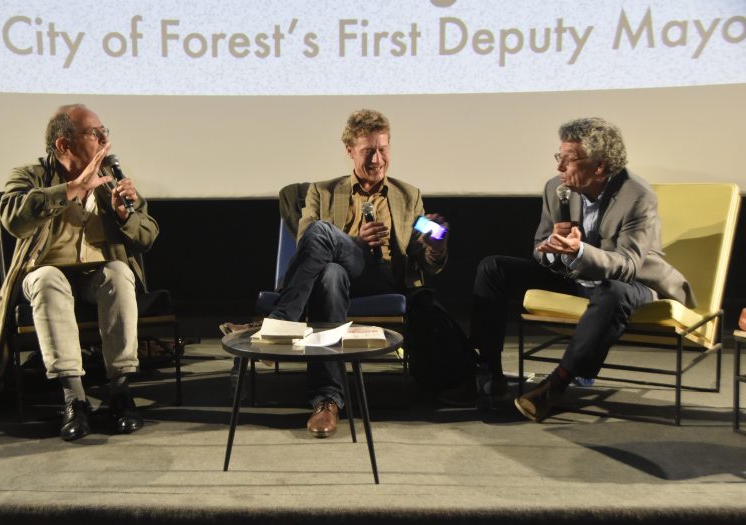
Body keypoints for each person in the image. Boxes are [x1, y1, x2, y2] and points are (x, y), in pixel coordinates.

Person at [225, 109, 448, 438]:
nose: (376, 159)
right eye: (367, 151)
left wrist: (436, 246)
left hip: (383, 279)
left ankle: (276, 323)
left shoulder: (407, 195)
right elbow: (306, 245)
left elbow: (424, 262)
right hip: (336, 279)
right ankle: (327, 400)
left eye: (383, 149)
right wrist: (356, 241)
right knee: (327, 266)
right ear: (349, 151)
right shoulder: (322, 191)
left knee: (322, 237)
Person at [471, 117, 695, 422]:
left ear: (599, 166)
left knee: (612, 291)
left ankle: (556, 384)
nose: (559, 167)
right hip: (575, 277)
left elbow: (628, 265)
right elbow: (539, 246)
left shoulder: (637, 196)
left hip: (636, 284)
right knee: (493, 268)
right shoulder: (556, 189)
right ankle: (490, 375)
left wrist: (579, 251)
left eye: (568, 160)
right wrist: (552, 250)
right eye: (558, 157)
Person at [0, 104, 159, 441]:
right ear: (63, 144)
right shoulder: (29, 176)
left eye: (105, 131)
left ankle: (120, 393)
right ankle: (73, 400)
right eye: (95, 133)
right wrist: (72, 188)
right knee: (49, 279)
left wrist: (124, 216)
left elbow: (147, 235)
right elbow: (15, 220)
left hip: (96, 277)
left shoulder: (111, 180)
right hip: (43, 273)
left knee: (120, 272)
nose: (105, 139)